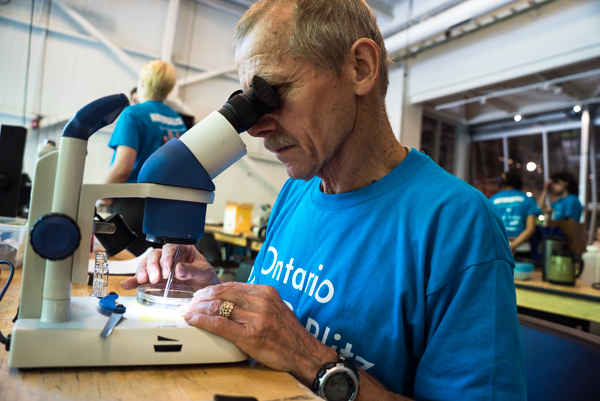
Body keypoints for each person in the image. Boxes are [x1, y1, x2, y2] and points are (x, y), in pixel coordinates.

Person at [122, 1, 527, 399]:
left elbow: (293, 342)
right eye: (249, 102)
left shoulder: (459, 226)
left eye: (272, 92)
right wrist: (218, 296)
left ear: (360, 68)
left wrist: (312, 360)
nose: (258, 127)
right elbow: (284, 321)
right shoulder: (297, 191)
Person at [105, 60, 187, 256]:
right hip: (166, 211)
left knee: (122, 273)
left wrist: (98, 194)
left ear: (142, 82)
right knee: (154, 276)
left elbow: (123, 168)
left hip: (131, 207)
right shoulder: (178, 121)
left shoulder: (133, 114)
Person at [490, 171, 541, 253]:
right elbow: (531, 228)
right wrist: (512, 246)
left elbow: (489, 227)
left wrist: (506, 247)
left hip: (499, 247)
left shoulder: (492, 200)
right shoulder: (527, 199)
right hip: (522, 247)